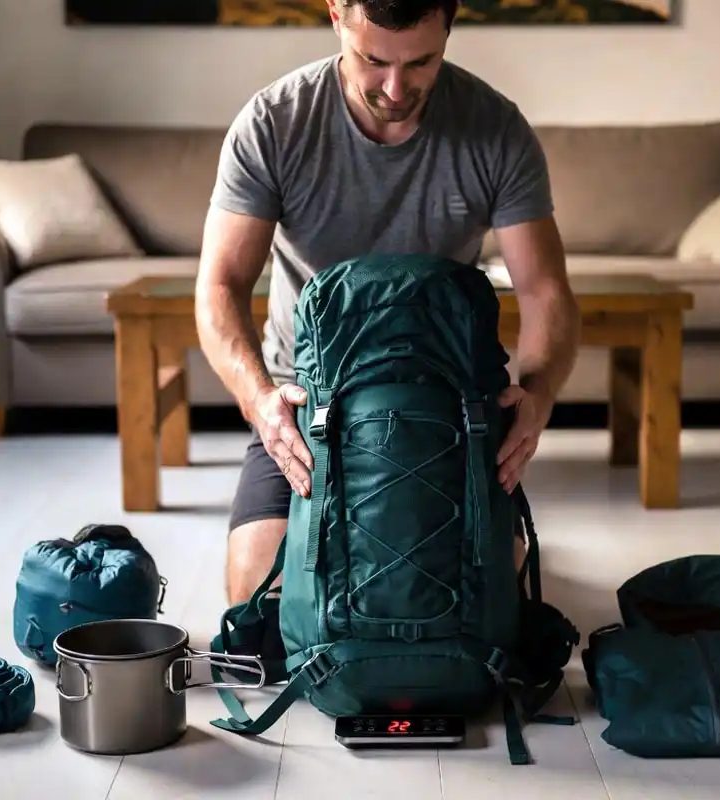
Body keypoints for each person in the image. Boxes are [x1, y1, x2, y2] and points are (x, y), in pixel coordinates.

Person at [195, 0, 580, 605]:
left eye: (421, 62)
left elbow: (545, 290)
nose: (396, 87)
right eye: (373, 60)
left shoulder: (496, 129)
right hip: (304, 404)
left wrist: (536, 394)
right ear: (335, 17)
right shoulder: (274, 122)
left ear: (450, 27)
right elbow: (219, 286)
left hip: (445, 400)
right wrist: (260, 401)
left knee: (486, 600)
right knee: (258, 604)